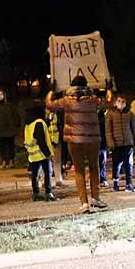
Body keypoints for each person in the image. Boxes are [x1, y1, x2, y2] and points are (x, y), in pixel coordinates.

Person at [46, 76, 110, 213]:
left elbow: (49, 105)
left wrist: (51, 90)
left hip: (74, 140)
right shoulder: (92, 100)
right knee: (94, 167)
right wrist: (109, 87)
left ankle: (84, 203)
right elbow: (108, 103)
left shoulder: (67, 101)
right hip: (92, 139)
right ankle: (96, 197)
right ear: (86, 86)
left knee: (79, 170)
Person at [22, 104, 56, 201]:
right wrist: (48, 154)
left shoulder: (28, 124)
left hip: (32, 155)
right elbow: (42, 141)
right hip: (42, 154)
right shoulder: (39, 122)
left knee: (35, 175)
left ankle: (36, 193)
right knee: (47, 173)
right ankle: (48, 193)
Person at [105, 93, 135, 192]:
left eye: (123, 102)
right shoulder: (110, 114)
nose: (121, 103)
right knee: (116, 164)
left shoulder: (130, 114)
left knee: (128, 164)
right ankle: (116, 183)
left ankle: (129, 184)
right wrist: (110, 143)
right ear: (115, 102)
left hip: (128, 142)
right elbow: (108, 130)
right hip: (116, 144)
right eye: (119, 101)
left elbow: (134, 129)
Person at [0, 88, 21, 167]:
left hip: (10, 129)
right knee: (2, 145)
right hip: (0, 129)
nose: (0, 96)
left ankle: (11, 160)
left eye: (1, 94)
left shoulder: (10, 105)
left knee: (10, 145)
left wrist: (15, 125)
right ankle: (4, 160)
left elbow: (15, 116)